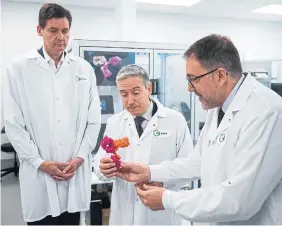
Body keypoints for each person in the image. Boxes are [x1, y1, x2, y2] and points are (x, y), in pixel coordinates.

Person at [116, 34, 282, 225]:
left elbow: (240, 200)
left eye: (193, 79)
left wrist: (168, 199)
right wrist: (149, 172)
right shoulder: (217, 107)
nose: (189, 88)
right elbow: (198, 163)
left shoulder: (267, 112)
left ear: (220, 75)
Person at [4, 3, 101, 225]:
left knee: (71, 219)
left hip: (74, 169)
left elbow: (93, 120)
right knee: (42, 220)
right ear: (40, 31)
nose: (61, 37)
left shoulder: (83, 69)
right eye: (53, 31)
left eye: (65, 31)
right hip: (39, 172)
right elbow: (13, 123)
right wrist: (39, 162)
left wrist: (80, 157)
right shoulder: (19, 69)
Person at [93, 64, 198, 225]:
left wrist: (157, 177)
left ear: (148, 88)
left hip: (161, 212)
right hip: (124, 213)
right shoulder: (115, 123)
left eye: (136, 92)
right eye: (123, 94)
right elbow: (99, 164)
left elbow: (190, 169)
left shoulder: (174, 120)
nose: (130, 101)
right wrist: (103, 168)